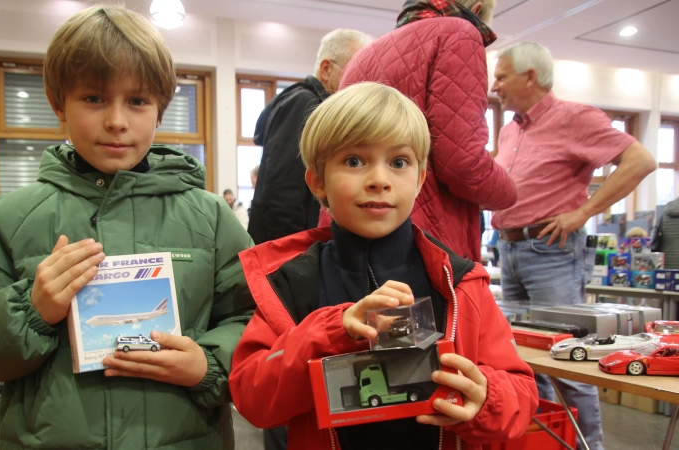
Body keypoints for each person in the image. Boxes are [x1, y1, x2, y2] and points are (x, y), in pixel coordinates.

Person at [0, 6, 254, 449]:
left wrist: (209, 364)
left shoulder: (211, 218)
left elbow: (254, 322)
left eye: (137, 100)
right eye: (94, 98)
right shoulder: (12, 219)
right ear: (57, 103)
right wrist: (32, 309)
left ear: (161, 107)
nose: (117, 121)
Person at [230, 82, 538, 450]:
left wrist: (486, 399)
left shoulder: (459, 284)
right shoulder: (290, 284)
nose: (379, 180)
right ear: (317, 181)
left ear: (420, 178)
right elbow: (252, 399)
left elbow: (522, 394)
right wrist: (331, 332)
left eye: (399, 162)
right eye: (354, 161)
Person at [491, 41, 656, 450]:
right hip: (509, 250)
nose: (494, 85)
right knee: (529, 360)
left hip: (552, 251)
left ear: (530, 77)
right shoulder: (512, 128)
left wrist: (583, 213)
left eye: (501, 76)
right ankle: (552, 443)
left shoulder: (574, 117)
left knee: (566, 359)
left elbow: (641, 161)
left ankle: (589, 447)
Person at [322, 0, 516, 262]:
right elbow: (463, 163)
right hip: (424, 242)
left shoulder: (364, 55)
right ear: (478, 8)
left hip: (353, 237)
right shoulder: (460, 33)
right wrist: (512, 191)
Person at [248, 28, 369, 246]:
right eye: (354, 70)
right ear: (326, 69)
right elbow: (283, 192)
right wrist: (296, 258)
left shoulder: (309, 104)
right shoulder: (304, 105)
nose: (359, 83)